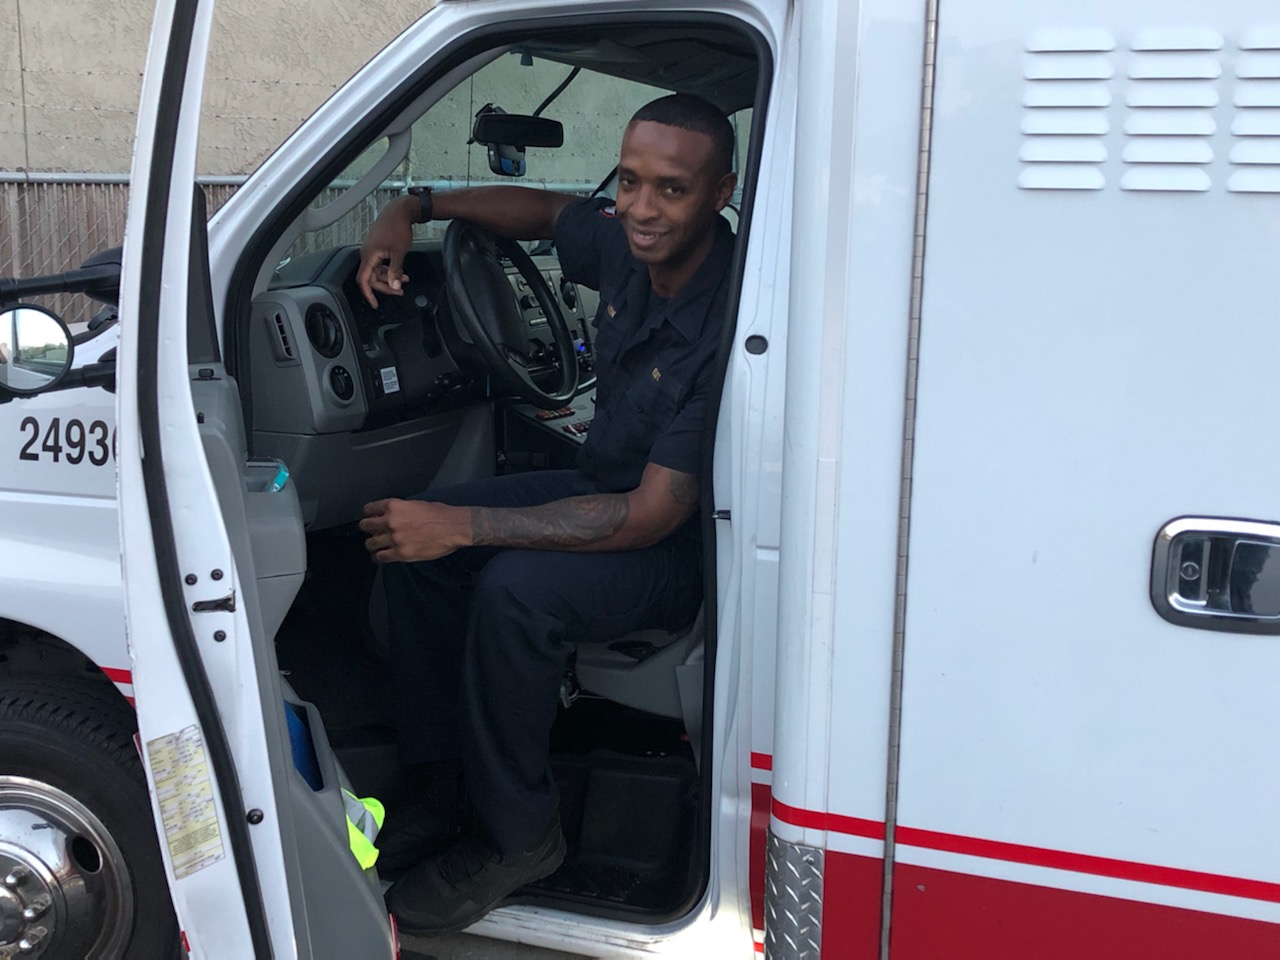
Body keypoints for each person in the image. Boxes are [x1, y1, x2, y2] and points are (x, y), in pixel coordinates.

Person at [356, 92, 738, 934]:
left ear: (720, 193)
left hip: (679, 547)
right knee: (412, 529)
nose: (640, 209)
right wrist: (410, 207)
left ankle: (521, 833)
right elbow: (546, 211)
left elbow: (648, 515)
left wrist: (465, 531)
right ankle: (442, 783)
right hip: (601, 481)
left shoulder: (727, 322)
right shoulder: (631, 243)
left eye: (670, 189)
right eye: (630, 182)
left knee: (513, 587)